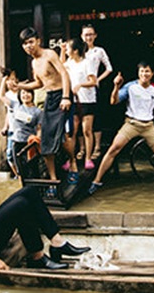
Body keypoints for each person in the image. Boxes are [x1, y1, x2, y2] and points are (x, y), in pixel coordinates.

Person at [0, 121, 90, 270]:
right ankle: (37, 257)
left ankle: (58, 242)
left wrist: (1, 209)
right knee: (21, 205)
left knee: (29, 191)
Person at [88, 62, 154, 194]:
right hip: (131, 124)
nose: (144, 74)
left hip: (148, 125)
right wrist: (116, 86)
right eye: (142, 71)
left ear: (152, 74)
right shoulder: (131, 87)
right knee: (114, 149)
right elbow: (113, 101)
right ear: (138, 73)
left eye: (147, 71)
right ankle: (96, 181)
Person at [16, 27, 75, 185]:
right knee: (46, 140)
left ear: (38, 41)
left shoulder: (49, 54)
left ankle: (73, 164)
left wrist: (66, 97)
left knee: (63, 134)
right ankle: (52, 179)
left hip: (62, 94)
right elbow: (39, 83)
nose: (28, 46)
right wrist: (20, 86)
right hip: (50, 97)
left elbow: (64, 74)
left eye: (31, 42)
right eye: (25, 44)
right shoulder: (34, 62)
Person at [63, 37, 98, 170]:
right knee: (72, 131)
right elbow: (61, 67)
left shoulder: (87, 63)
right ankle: (70, 159)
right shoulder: (69, 62)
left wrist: (80, 85)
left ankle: (88, 158)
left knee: (86, 130)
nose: (67, 50)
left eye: (68, 48)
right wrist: (62, 51)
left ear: (75, 50)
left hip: (87, 100)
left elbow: (93, 81)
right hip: (73, 101)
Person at [81, 23, 113, 162]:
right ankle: (82, 148)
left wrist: (97, 79)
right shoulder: (79, 51)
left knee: (96, 118)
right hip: (80, 88)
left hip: (93, 88)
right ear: (82, 36)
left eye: (90, 34)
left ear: (95, 36)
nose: (88, 37)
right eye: (86, 35)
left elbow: (109, 68)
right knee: (81, 119)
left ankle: (97, 147)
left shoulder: (99, 51)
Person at [5, 87, 42, 178]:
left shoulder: (37, 111)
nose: (25, 95)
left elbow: (39, 128)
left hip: (29, 143)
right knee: (20, 169)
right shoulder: (16, 105)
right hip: (17, 141)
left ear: (32, 95)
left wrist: (37, 140)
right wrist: (4, 80)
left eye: (28, 92)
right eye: (23, 93)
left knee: (32, 167)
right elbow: (1, 96)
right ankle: (21, 183)